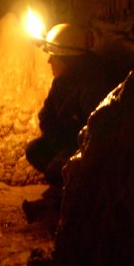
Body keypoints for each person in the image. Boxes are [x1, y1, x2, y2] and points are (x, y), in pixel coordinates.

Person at [23, 23, 113, 222]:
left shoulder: (91, 87)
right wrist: (59, 141)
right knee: (34, 150)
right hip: (66, 141)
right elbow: (46, 116)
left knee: (56, 170)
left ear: (68, 60)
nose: (49, 61)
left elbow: (96, 134)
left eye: (53, 57)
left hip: (86, 151)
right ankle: (65, 185)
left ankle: (74, 196)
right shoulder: (61, 83)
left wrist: (67, 150)